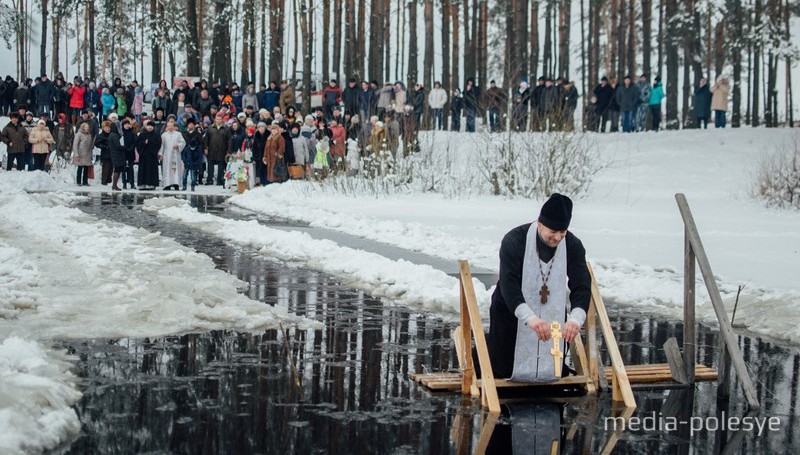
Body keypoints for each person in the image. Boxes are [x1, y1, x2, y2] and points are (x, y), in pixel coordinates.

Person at [483, 193, 591, 381]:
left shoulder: (572, 245)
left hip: (552, 311)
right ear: (540, 223)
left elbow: (581, 286)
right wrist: (531, 318)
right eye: (553, 232)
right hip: (511, 312)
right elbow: (509, 286)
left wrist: (575, 319)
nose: (557, 237)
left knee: (551, 371)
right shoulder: (515, 240)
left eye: (562, 233)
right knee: (504, 370)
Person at [159, 120, 186, 191]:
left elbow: (183, 142)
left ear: (174, 127)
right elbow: (162, 145)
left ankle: (175, 183)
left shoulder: (178, 134)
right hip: (167, 155)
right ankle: (167, 184)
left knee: (175, 169)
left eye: (171, 126)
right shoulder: (164, 135)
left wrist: (178, 145)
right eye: (169, 126)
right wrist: (160, 154)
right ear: (167, 127)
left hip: (175, 155)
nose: (170, 127)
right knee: (167, 169)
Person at [136, 120, 162, 190]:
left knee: (152, 169)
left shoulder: (156, 135)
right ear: (146, 126)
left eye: (151, 126)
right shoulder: (142, 135)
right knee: (143, 170)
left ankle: (151, 184)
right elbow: (138, 144)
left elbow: (158, 144)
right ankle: (142, 183)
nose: (150, 127)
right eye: (149, 126)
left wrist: (151, 144)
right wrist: (144, 143)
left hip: (152, 155)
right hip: (143, 155)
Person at [181, 121, 204, 191]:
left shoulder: (197, 134)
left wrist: (197, 162)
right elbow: (183, 155)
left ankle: (193, 187)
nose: (190, 125)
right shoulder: (184, 133)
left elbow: (199, 157)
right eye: (189, 124)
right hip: (187, 163)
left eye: (192, 124)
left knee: (193, 177)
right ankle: (184, 186)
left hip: (193, 164)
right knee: (184, 176)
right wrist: (184, 160)